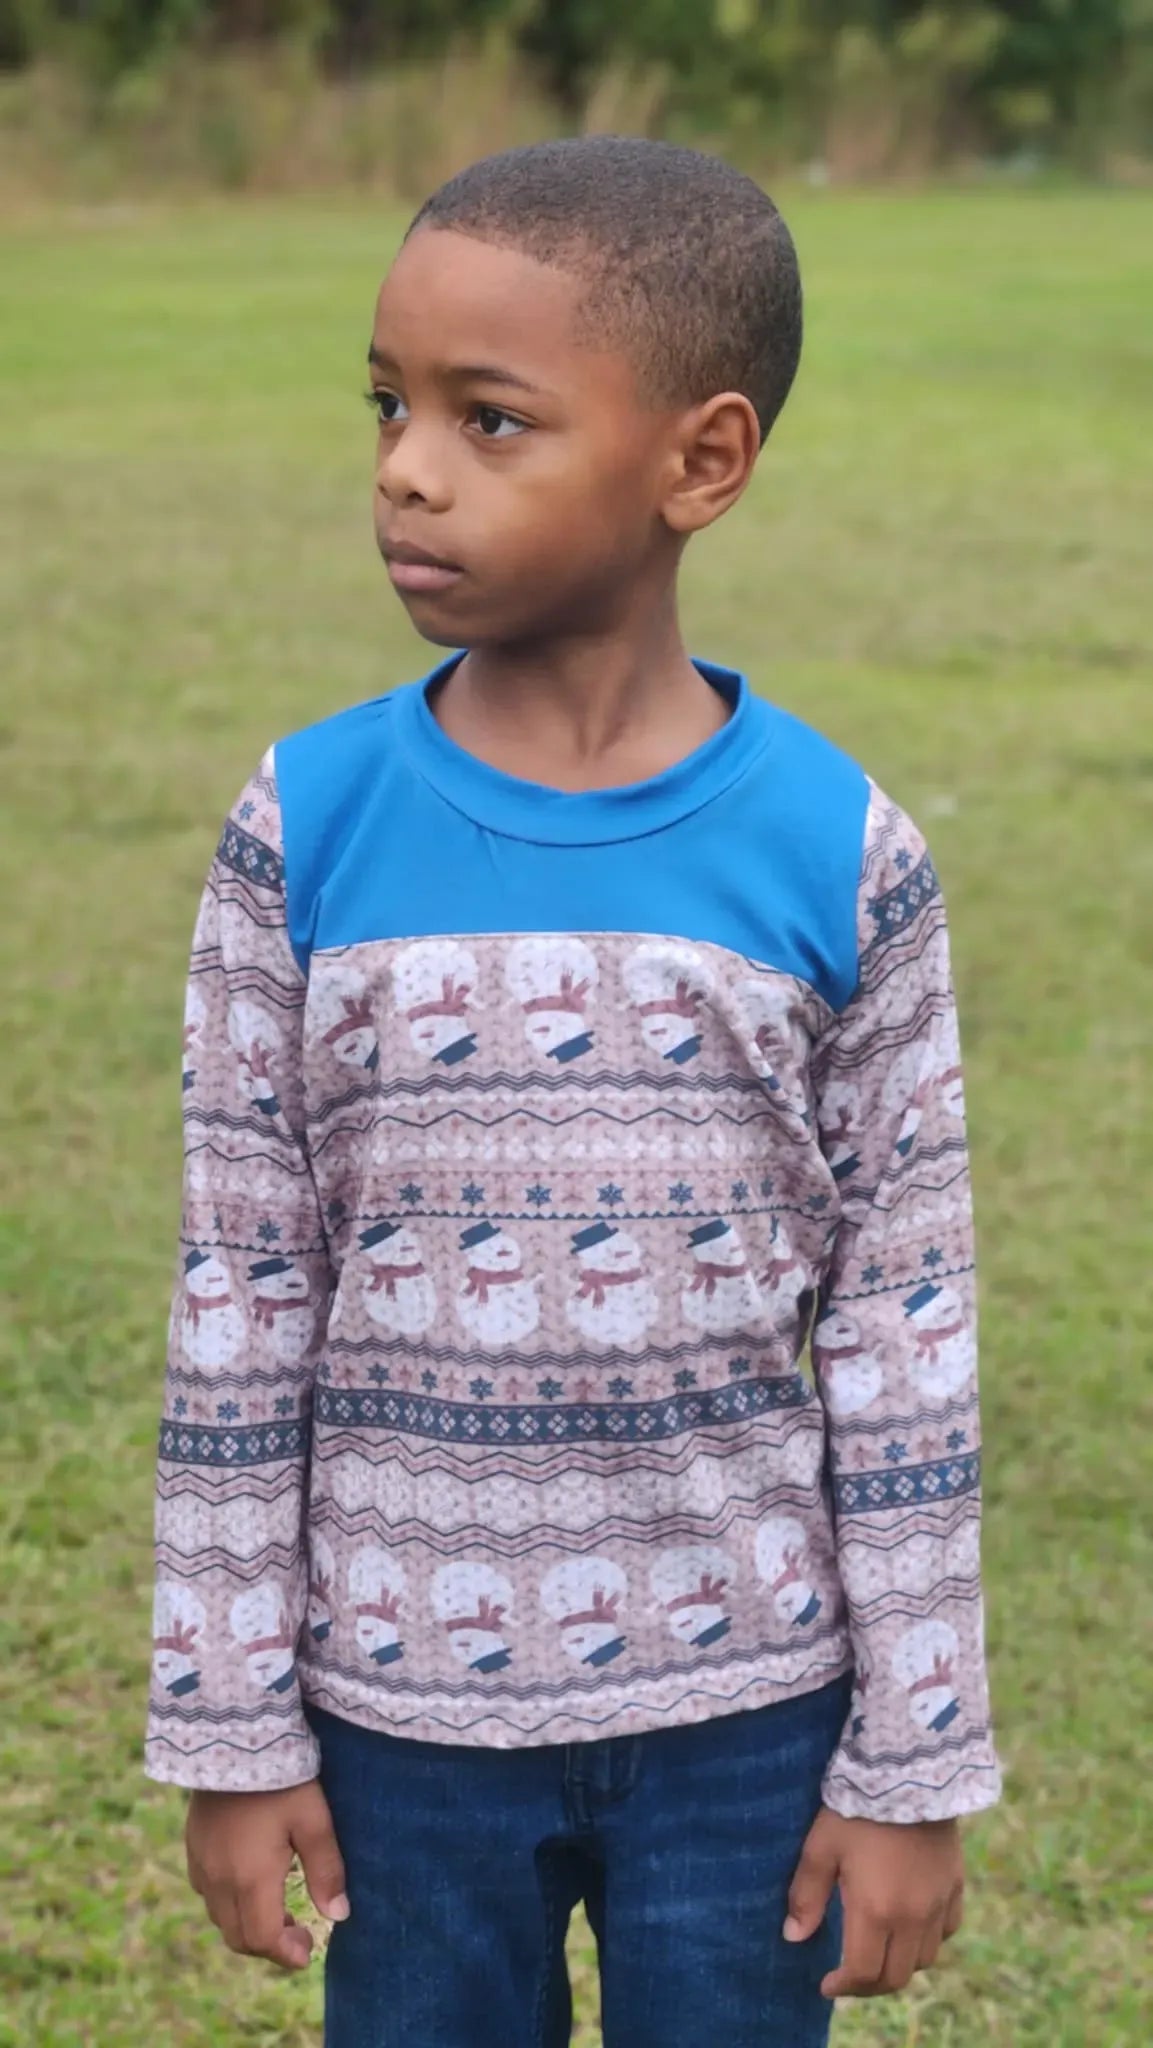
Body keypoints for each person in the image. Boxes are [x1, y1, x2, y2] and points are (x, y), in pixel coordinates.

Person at [143, 136, 1002, 2048]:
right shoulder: (308, 828)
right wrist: (227, 1720)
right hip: (400, 1724)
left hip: (750, 1723)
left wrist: (913, 1755)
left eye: (491, 418)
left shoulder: (839, 852)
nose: (403, 466)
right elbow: (241, 1297)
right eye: (387, 403)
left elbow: (905, 1324)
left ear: (699, 461)